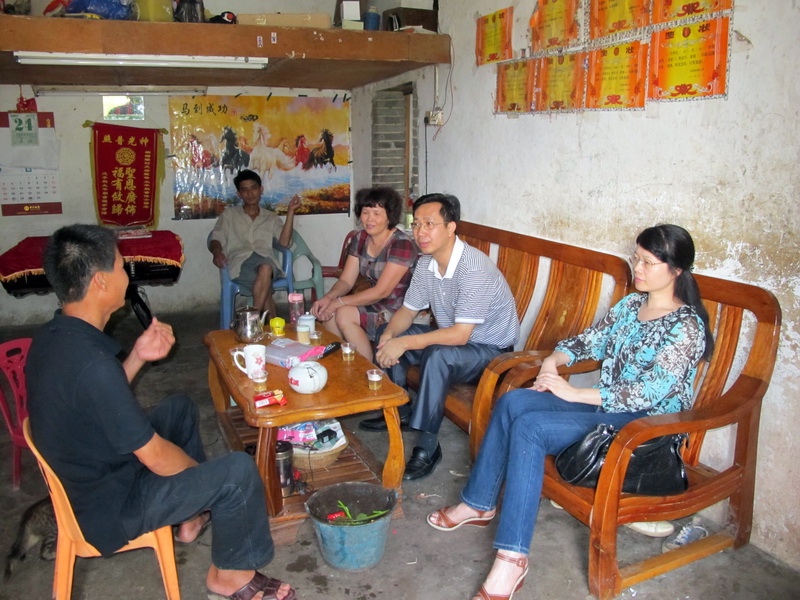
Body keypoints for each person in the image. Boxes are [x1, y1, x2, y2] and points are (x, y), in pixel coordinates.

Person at [427, 224, 714, 600]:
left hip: (646, 429)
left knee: (531, 428)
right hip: (607, 411)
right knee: (513, 401)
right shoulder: (631, 306)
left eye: (647, 262)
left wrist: (574, 393)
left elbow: (647, 393)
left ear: (676, 270)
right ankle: (478, 503)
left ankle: (512, 559)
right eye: (636, 258)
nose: (637, 268)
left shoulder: (686, 326)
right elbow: (588, 341)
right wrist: (553, 362)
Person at [26, 225, 295, 600]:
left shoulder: (55, 337)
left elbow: (94, 399)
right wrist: (204, 483)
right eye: (121, 265)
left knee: (179, 409)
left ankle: (189, 521)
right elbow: (153, 455)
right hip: (111, 504)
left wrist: (138, 356)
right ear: (100, 282)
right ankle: (229, 576)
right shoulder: (93, 365)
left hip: (96, 468)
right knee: (236, 472)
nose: (127, 273)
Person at [361, 193, 520, 481]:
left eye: (429, 224)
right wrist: (390, 335)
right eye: (416, 224)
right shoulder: (427, 264)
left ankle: (427, 445)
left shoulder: (473, 268)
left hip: (491, 351)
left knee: (437, 355)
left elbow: (460, 335)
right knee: (390, 334)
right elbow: (407, 311)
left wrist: (403, 343)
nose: (420, 232)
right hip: (455, 343)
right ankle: (401, 410)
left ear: (450, 228)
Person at [310, 187, 416, 359]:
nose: (369, 219)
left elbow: (381, 292)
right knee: (327, 313)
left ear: (390, 216)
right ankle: (343, 362)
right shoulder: (361, 238)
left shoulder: (401, 244)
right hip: (373, 301)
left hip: (399, 309)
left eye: (376, 213)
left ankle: (367, 367)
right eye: (365, 212)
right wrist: (328, 298)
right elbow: (346, 281)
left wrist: (339, 302)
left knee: (343, 314)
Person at [209, 169, 301, 320]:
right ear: (239, 194)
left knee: (265, 268)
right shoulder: (229, 215)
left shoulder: (271, 217)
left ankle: (253, 320)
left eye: (253, 188)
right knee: (264, 285)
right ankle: (268, 326)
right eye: (244, 190)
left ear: (261, 190)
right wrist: (216, 252)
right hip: (240, 265)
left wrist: (290, 212)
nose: (250, 193)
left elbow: (284, 243)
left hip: (266, 262)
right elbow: (215, 239)